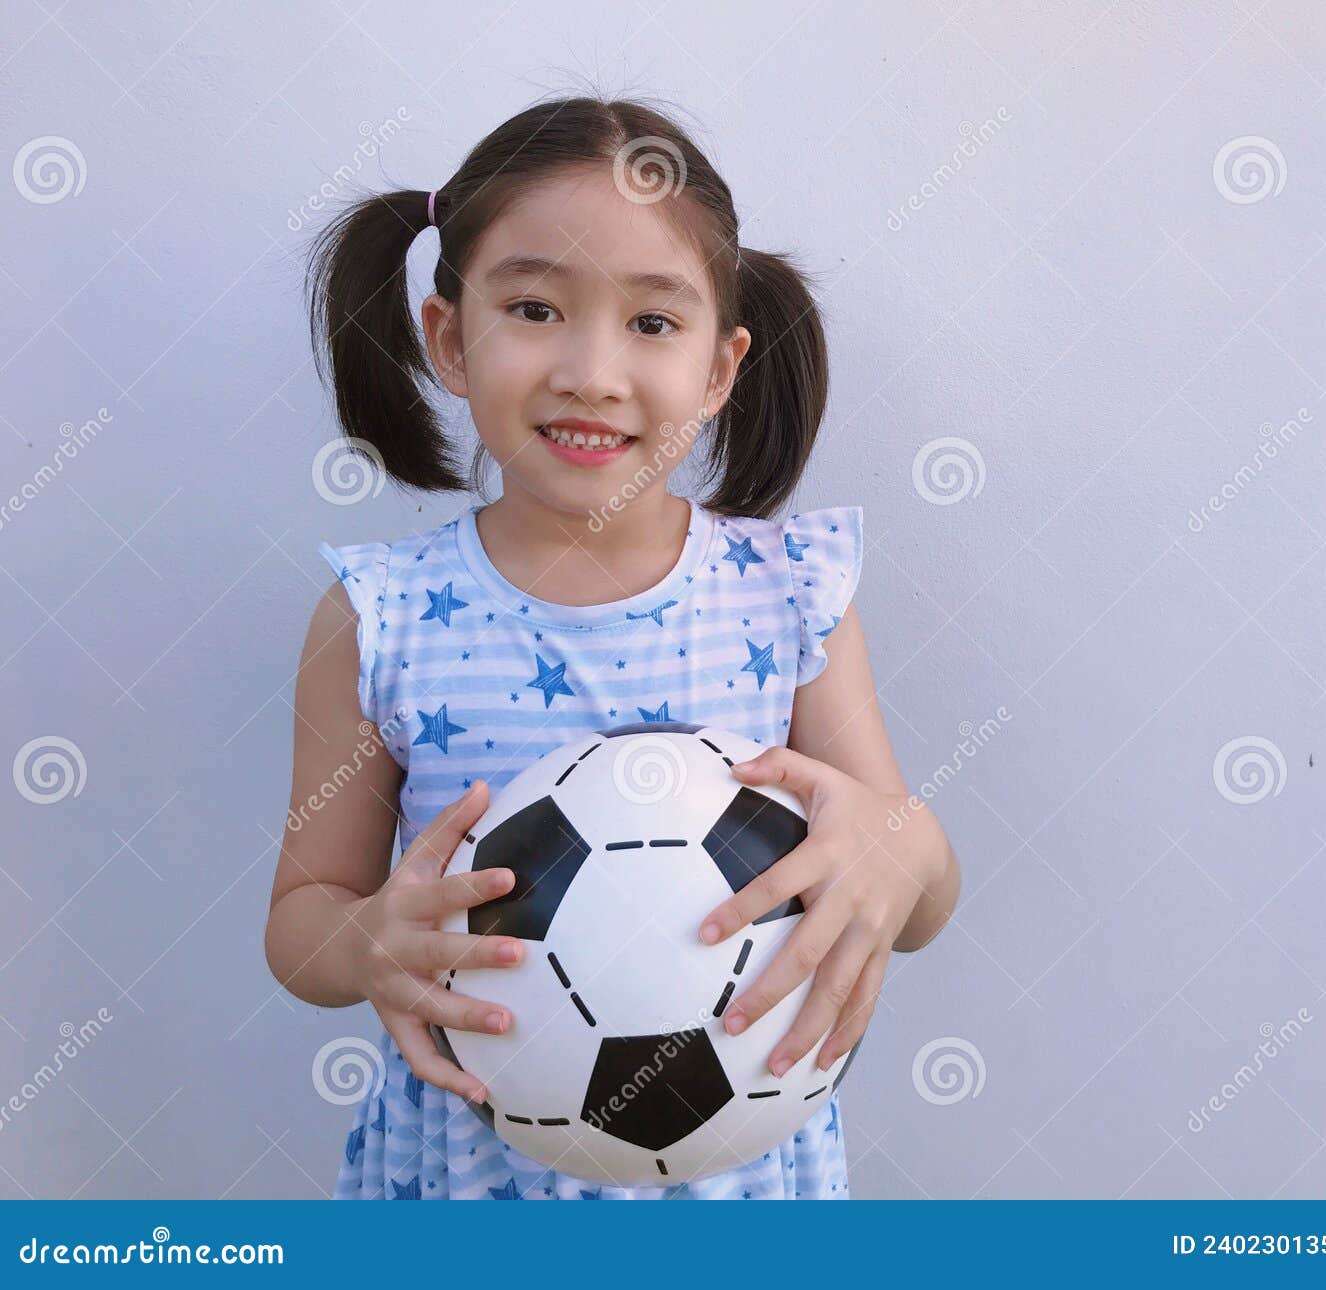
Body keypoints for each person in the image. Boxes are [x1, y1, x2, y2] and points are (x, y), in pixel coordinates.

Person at [263, 95, 961, 1199]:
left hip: (733, 1183)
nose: (591, 370)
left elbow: (915, 891)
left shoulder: (790, 598)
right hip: (470, 1178)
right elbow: (302, 921)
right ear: (448, 337)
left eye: (651, 323)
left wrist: (900, 852)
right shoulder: (381, 617)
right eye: (534, 308)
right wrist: (367, 945)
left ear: (720, 368)